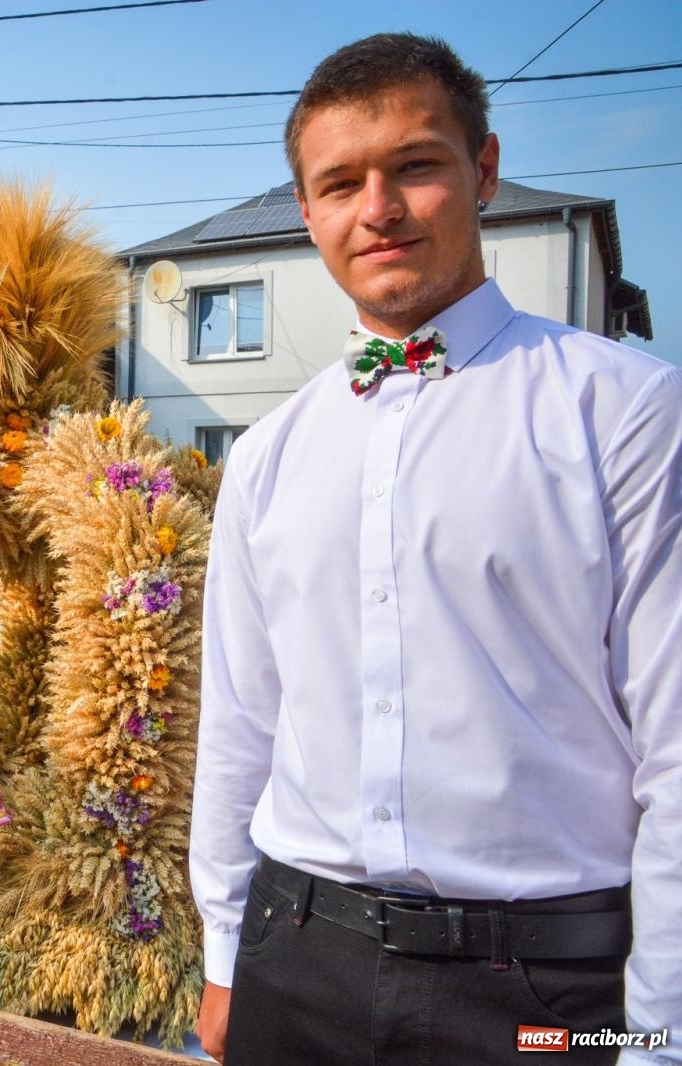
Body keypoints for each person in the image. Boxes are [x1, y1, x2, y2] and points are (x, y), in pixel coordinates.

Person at [189, 32, 681, 1066]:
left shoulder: (627, 412)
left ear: (484, 172)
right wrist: (224, 952)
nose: (379, 207)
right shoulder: (268, 455)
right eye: (339, 183)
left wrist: (659, 1031)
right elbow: (240, 724)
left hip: (547, 984)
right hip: (294, 952)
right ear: (307, 210)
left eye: (414, 165)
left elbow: (676, 750)